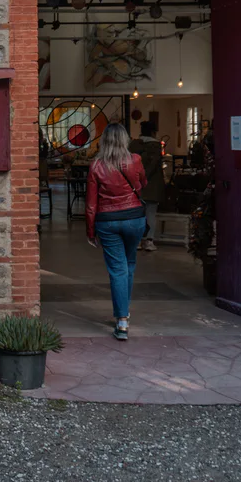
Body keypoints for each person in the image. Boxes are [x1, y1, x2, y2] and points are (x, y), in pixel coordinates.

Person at [85, 123, 148, 341]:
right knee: (129, 264)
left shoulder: (96, 165)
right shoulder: (136, 160)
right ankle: (124, 313)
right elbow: (142, 184)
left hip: (108, 221)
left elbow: (91, 203)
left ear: (104, 141)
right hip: (134, 219)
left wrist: (90, 231)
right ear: (125, 139)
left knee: (118, 270)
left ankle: (122, 321)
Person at [129, 120, 165, 251]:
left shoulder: (133, 145)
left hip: (134, 184)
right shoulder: (156, 146)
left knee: (137, 213)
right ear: (153, 132)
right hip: (152, 184)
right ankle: (149, 241)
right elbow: (154, 165)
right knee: (150, 213)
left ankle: (137, 240)